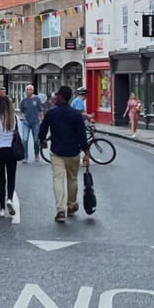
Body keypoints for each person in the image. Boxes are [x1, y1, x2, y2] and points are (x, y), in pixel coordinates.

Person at [39, 85, 90, 223]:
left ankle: (60, 209)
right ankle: (71, 204)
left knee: (58, 180)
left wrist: (42, 141)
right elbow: (82, 135)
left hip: (57, 152)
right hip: (73, 152)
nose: (55, 96)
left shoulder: (51, 113)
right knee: (72, 179)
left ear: (61, 97)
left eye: (57, 94)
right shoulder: (76, 114)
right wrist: (86, 153)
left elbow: (43, 129)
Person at [19, 84, 43, 162]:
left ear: (32, 91)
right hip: (26, 122)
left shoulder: (37, 99)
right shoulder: (24, 100)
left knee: (36, 140)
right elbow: (21, 111)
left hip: (35, 122)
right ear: (25, 91)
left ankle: (36, 154)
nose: (28, 91)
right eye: (27, 90)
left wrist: (41, 120)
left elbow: (41, 110)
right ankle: (25, 157)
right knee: (24, 140)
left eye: (30, 89)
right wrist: (22, 117)